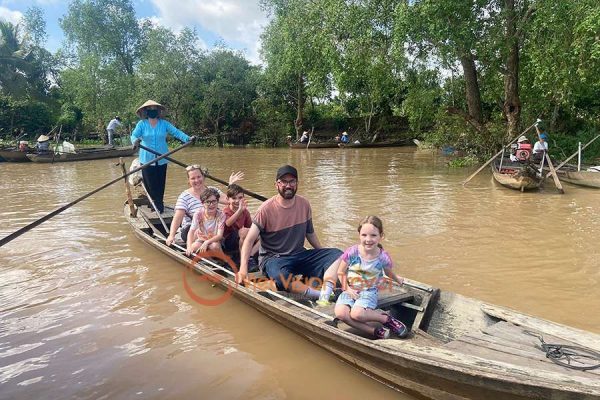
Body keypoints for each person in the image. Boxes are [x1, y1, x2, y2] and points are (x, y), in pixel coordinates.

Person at [236, 165, 342, 300]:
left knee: (338, 255)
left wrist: (322, 255)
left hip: (299, 254)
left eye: (292, 181)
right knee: (281, 277)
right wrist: (243, 268)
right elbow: (249, 240)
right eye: (284, 182)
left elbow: (310, 233)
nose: (288, 185)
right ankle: (319, 295)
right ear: (276, 185)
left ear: (297, 183)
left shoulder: (304, 204)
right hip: (274, 259)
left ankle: (326, 286)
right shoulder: (266, 209)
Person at [331, 216, 408, 339]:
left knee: (357, 314)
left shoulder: (383, 257)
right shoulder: (352, 252)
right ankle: (374, 331)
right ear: (359, 235)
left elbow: (388, 273)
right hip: (350, 289)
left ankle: (386, 319)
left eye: (373, 235)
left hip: (368, 291)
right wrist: (347, 290)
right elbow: (340, 272)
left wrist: (397, 279)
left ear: (381, 236)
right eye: (364, 235)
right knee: (341, 313)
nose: (368, 239)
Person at [130, 100, 192, 214]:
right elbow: (134, 135)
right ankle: (153, 203)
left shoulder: (164, 124)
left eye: (154, 109)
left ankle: (159, 203)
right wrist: (135, 141)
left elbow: (176, 132)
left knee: (160, 183)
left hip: (162, 158)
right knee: (149, 183)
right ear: (146, 111)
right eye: (150, 109)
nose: (152, 111)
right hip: (147, 159)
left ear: (158, 111)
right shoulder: (142, 124)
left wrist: (188, 138)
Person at [165, 166, 244, 246]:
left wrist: (231, 185)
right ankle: (196, 247)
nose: (197, 180)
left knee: (229, 229)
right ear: (189, 181)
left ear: (203, 177)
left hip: (212, 227)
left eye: (199, 177)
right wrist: (171, 236)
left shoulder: (212, 190)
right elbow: (177, 218)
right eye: (193, 178)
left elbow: (229, 201)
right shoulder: (184, 196)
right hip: (192, 229)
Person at [186, 188, 226, 255]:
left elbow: (219, 235)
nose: (211, 204)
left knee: (214, 247)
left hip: (215, 240)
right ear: (202, 203)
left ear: (217, 201)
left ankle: (224, 260)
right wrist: (188, 247)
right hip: (202, 238)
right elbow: (191, 231)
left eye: (214, 201)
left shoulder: (221, 215)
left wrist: (207, 242)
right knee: (194, 247)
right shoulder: (198, 214)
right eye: (208, 202)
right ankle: (208, 257)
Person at [222, 184, 254, 254]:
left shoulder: (245, 211)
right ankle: (242, 258)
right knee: (243, 232)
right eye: (234, 198)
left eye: (240, 198)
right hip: (227, 243)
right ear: (228, 199)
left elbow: (250, 227)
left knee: (261, 234)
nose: (237, 201)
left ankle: (250, 255)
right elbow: (227, 223)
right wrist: (239, 210)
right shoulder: (225, 211)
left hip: (239, 240)